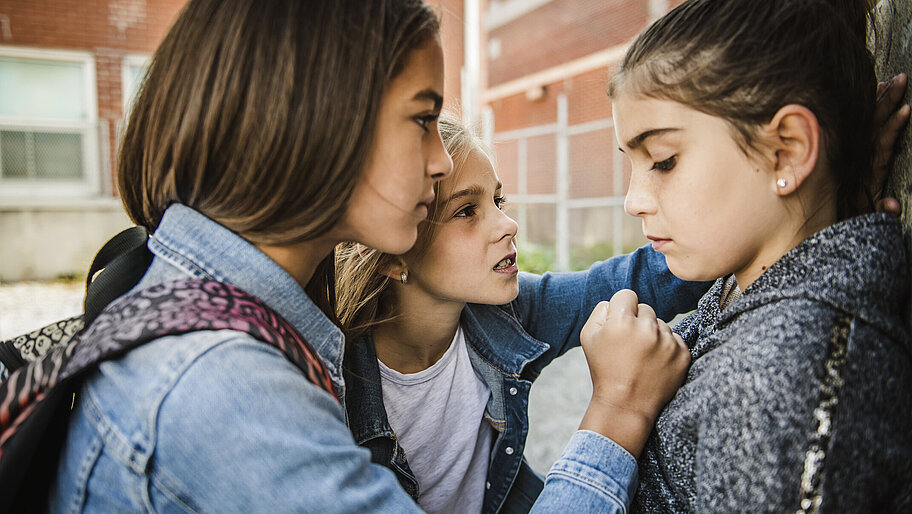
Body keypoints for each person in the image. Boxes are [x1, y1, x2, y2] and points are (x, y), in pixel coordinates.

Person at [44, 0, 692, 511]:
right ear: (322, 120)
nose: (438, 159)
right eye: (421, 119)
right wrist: (618, 412)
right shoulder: (222, 389)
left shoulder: (251, 322)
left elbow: (625, 278)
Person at [605, 0, 912, 511]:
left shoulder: (781, 392)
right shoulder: (749, 284)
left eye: (663, 160)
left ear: (787, 151)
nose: (632, 200)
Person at [334, 113, 710, 513]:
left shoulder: (505, 312)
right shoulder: (332, 379)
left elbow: (636, 279)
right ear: (392, 255)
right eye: (466, 211)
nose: (508, 224)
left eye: (497, 201)